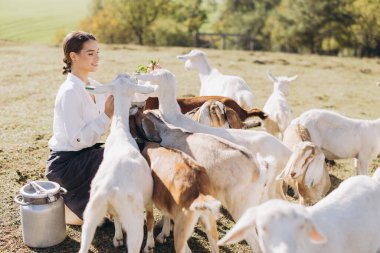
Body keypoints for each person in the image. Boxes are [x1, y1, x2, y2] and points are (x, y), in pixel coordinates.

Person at [46, 31, 114, 225]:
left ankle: (102, 206)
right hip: (67, 164)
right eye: (91, 53)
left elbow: (123, 95)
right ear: (73, 56)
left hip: (85, 156)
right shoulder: (69, 92)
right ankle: (72, 205)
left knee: (122, 151)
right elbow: (77, 141)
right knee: (115, 155)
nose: (97, 58)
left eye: (98, 52)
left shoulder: (93, 85)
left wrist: (150, 78)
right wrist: (106, 116)